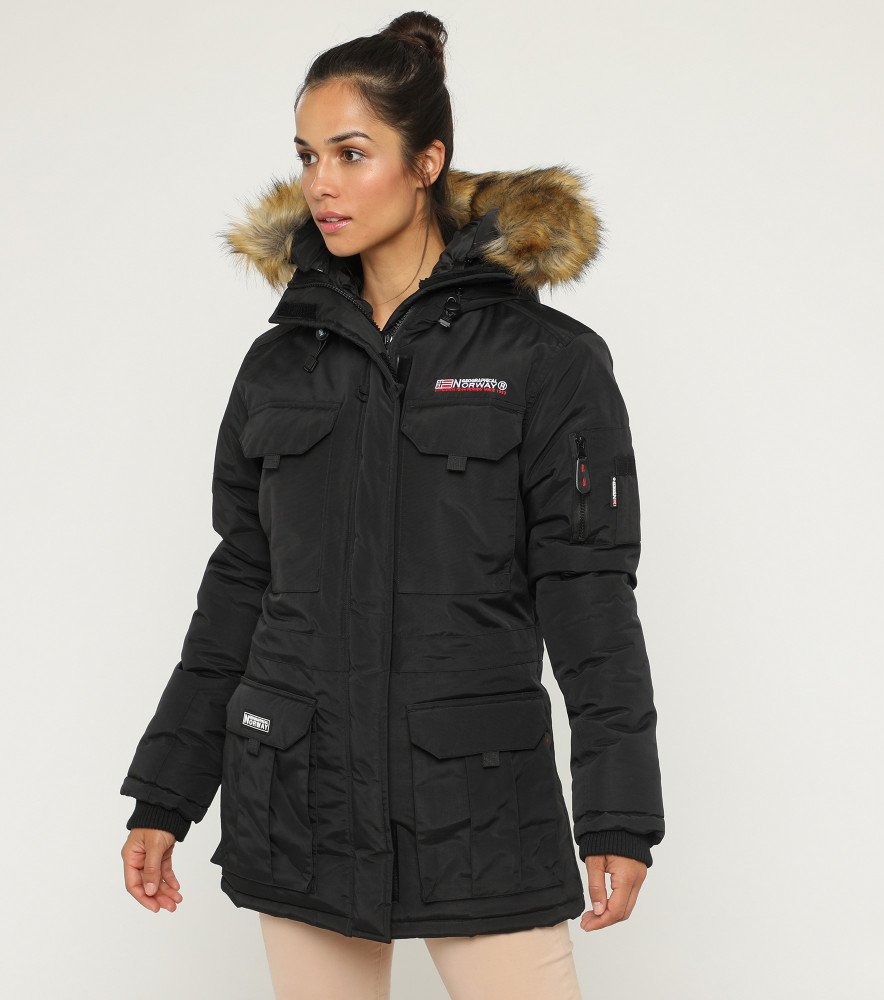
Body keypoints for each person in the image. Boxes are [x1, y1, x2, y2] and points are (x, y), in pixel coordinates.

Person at [119, 11, 665, 999]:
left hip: (478, 803)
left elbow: (588, 592)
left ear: (427, 163)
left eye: (351, 152)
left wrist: (618, 811)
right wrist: (165, 791)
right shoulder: (279, 365)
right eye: (306, 156)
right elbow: (240, 586)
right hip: (302, 799)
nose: (320, 183)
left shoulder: (547, 362)